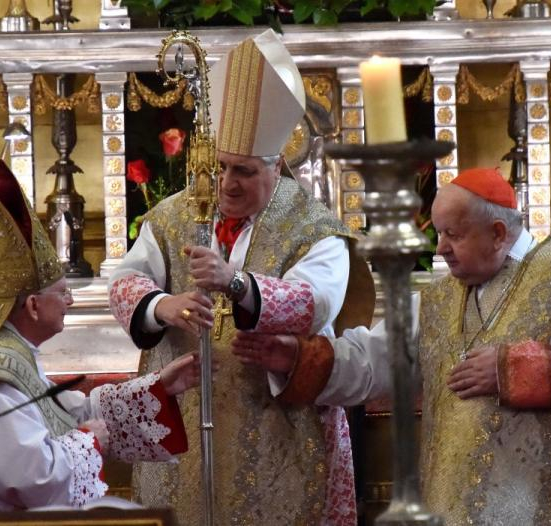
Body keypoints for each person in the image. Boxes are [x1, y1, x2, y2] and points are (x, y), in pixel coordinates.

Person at [234, 167, 551, 526]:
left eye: (454, 234)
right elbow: (374, 360)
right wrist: (298, 358)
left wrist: (511, 369)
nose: (442, 248)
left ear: (498, 233)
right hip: (455, 492)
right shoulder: (440, 298)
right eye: (439, 234)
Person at [108, 29, 375, 525]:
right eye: (221, 167)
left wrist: (236, 281)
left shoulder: (314, 228)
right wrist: (160, 306)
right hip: (189, 412)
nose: (227, 183)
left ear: (276, 167)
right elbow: (127, 279)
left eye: (245, 172)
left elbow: (316, 302)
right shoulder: (174, 215)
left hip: (280, 425)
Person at [0, 161, 201, 513]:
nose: (70, 300)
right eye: (61, 292)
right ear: (32, 305)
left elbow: (61, 411)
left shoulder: (13, 353)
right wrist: (88, 442)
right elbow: (30, 480)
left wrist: (157, 389)